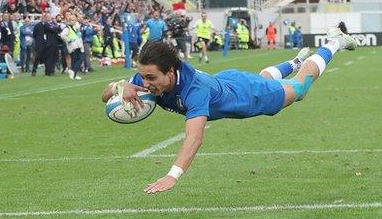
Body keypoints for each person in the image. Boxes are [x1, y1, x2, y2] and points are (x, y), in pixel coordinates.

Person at [101, 27, 357, 193]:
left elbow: (195, 137)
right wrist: (120, 84)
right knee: (264, 78)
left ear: (170, 72)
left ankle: (334, 42)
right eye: (141, 77)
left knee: (300, 89)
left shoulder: (194, 90)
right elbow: (105, 98)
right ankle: (295, 61)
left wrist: (173, 175)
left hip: (248, 97)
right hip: (228, 81)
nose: (144, 84)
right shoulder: (147, 78)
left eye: (150, 78)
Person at [60, 13, 84, 80]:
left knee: (75, 60)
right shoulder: (67, 28)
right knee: (78, 59)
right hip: (73, 46)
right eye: (72, 20)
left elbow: (78, 26)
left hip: (78, 45)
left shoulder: (75, 27)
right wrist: (69, 40)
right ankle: (73, 72)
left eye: (74, 20)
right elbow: (62, 35)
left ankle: (74, 74)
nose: (74, 21)